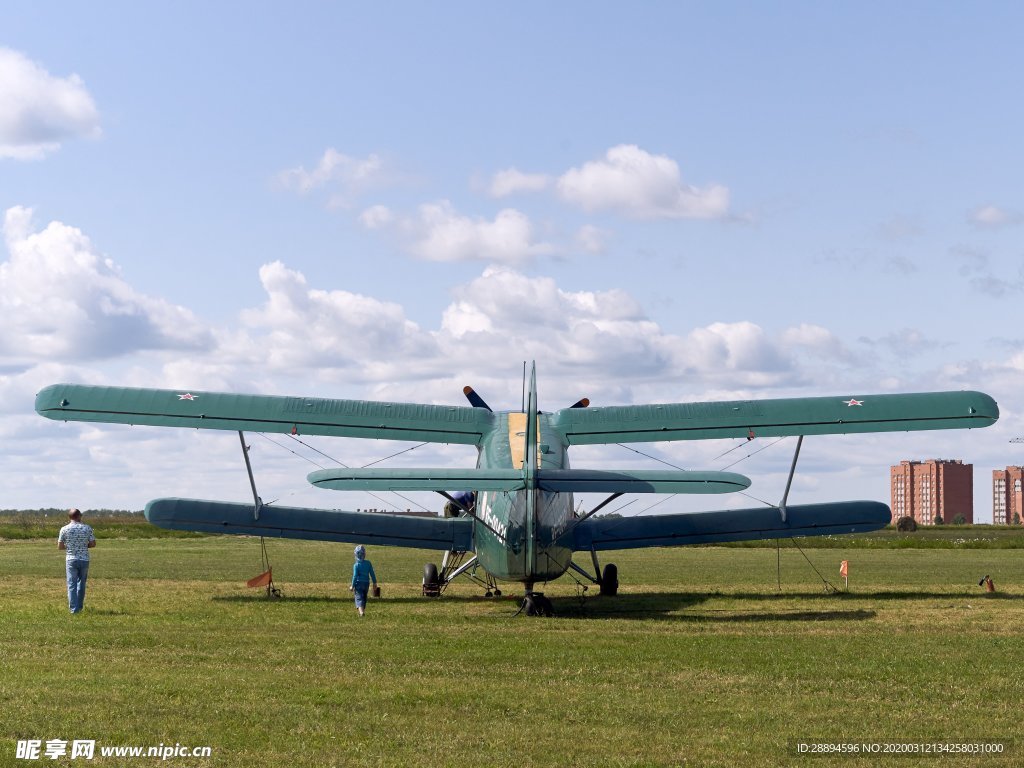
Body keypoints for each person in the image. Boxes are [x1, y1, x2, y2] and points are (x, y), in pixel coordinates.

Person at [57, 508, 96, 614]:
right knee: (81, 584)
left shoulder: (64, 529)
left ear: (69, 517)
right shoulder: (87, 528)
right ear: (79, 516)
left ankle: (74, 609)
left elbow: (60, 546)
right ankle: (79, 607)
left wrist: (70, 546)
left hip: (71, 559)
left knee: (71, 584)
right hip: (84, 559)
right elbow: (93, 544)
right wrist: (83, 545)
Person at [349, 545, 377, 617]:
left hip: (359, 584)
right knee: (364, 597)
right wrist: (374, 583)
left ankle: (361, 613)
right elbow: (372, 573)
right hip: (366, 583)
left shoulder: (356, 565)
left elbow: (355, 576)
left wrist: (352, 585)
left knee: (359, 597)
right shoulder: (368, 563)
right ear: (364, 554)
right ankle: (362, 611)